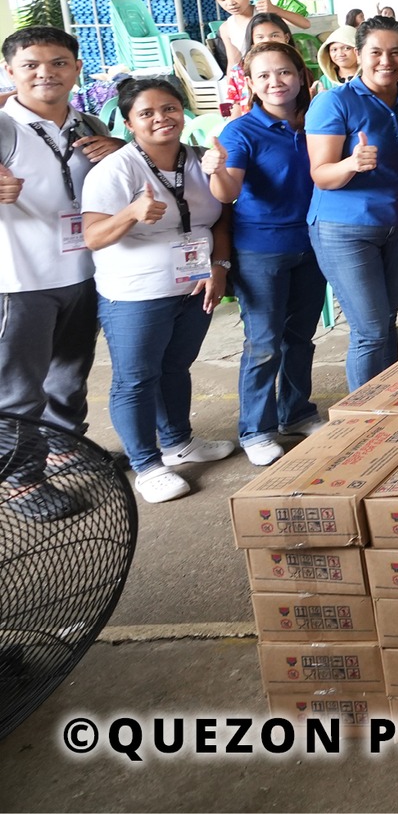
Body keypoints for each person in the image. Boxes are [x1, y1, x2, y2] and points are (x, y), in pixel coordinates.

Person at [81, 78, 231, 503]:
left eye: (169, 108)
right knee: (136, 379)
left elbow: (221, 218)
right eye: (146, 113)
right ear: (129, 123)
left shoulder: (202, 160)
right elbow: (93, 236)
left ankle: (179, 441)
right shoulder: (114, 170)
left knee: (175, 367)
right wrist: (130, 212)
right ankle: (146, 465)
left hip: (194, 286)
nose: (161, 118)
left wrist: (219, 267)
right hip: (135, 294)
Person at [0, 27, 121, 522]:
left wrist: (118, 150)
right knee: (17, 389)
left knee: (70, 371)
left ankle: (65, 447)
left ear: (75, 68)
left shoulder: (88, 122)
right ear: (10, 71)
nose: (45, 72)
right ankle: (18, 482)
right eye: (30, 64)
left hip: (82, 270)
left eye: (58, 62)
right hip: (19, 279)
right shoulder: (4, 126)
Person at [204, 40, 322, 466]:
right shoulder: (241, 131)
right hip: (261, 251)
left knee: (299, 339)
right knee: (264, 342)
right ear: (251, 84)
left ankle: (296, 412)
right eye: (265, 76)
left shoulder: (316, 122)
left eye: (285, 72)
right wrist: (217, 169)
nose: (276, 82)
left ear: (301, 76)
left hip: (311, 245)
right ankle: (256, 429)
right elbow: (229, 190)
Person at [306, 17, 398, 389]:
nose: (386, 61)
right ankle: (361, 420)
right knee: (371, 329)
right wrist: (349, 163)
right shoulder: (334, 102)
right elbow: (321, 173)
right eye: (375, 52)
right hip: (345, 229)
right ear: (358, 55)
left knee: (385, 321)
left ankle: (384, 404)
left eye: (396, 52)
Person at [211, 0, 310, 70]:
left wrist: (276, 10)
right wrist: (231, 84)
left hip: (282, 67)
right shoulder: (226, 28)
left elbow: (305, 24)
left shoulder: (266, 13)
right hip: (256, 74)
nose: (230, 3)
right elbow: (233, 62)